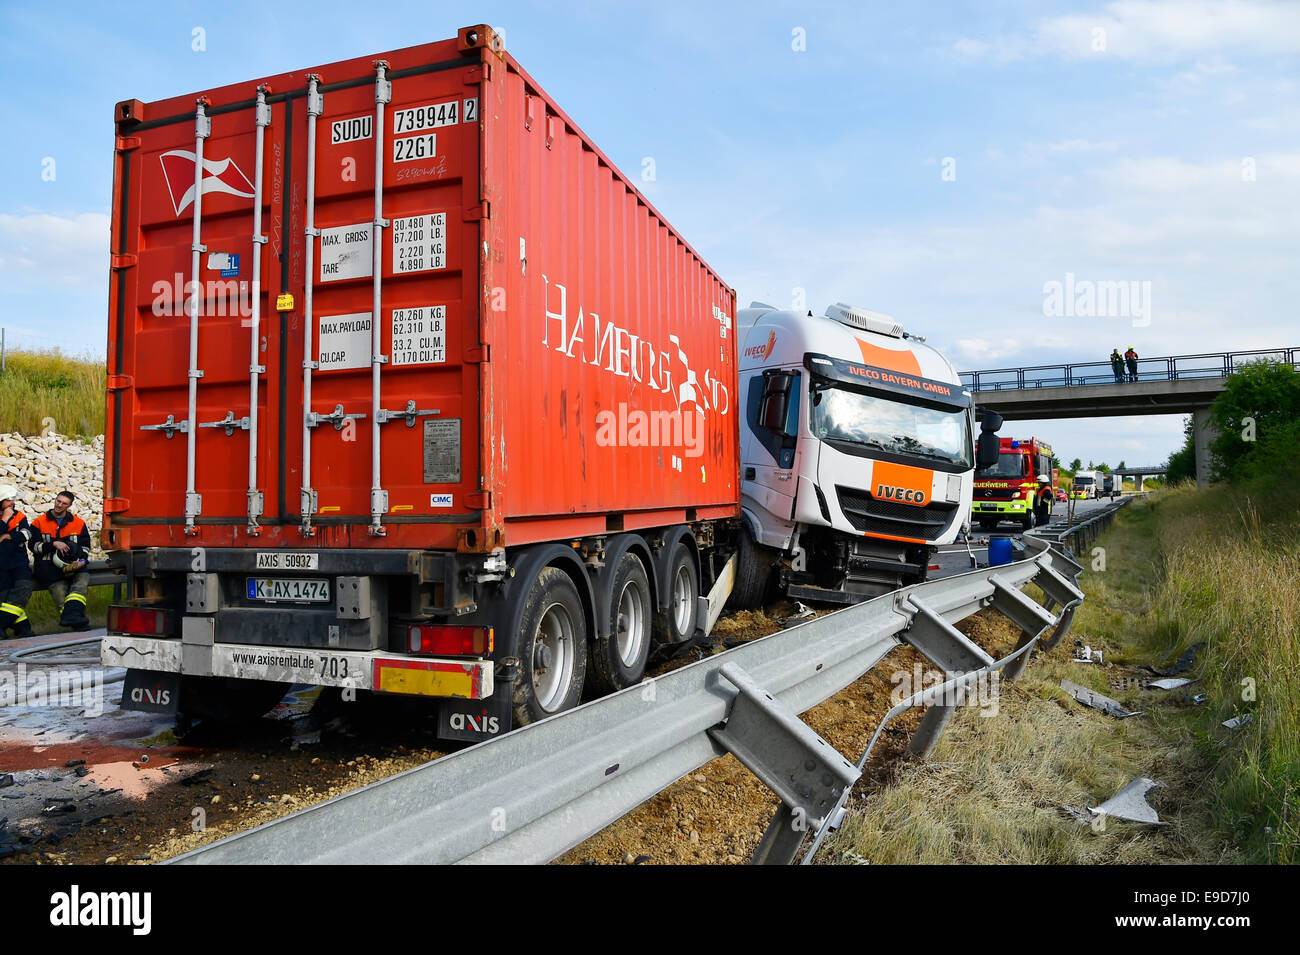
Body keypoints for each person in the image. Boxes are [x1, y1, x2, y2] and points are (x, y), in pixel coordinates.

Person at [30, 490, 92, 631]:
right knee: (59, 593)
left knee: (80, 586)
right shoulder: (39, 522)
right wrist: (53, 544)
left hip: (75, 565)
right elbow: (33, 546)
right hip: (48, 567)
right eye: (58, 501)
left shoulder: (78, 523)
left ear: (69, 506)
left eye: (64, 503)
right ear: (55, 500)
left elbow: (86, 546)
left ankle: (74, 621)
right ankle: (80, 624)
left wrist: (82, 560)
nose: (59, 505)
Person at [0, 484, 36, 639]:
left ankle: (1, 624)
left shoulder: (20, 516)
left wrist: (8, 537)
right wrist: (5, 519)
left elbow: (27, 533)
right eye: (9, 500)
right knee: (6, 598)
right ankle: (23, 628)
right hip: (1, 566)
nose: (12, 502)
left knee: (24, 589)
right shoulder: (6, 517)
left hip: (19, 563)